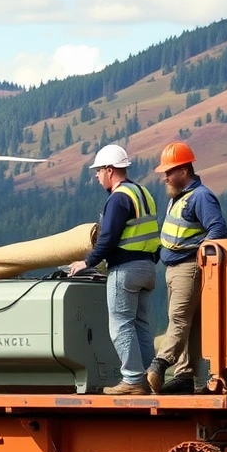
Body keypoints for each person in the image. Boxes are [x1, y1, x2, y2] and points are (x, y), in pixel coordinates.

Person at [69, 144, 160, 395]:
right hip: (148, 267)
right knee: (141, 325)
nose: (97, 176)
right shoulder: (143, 193)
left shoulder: (118, 198)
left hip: (125, 269)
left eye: (99, 171)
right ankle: (150, 377)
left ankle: (132, 379)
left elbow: (108, 238)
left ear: (110, 170)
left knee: (120, 324)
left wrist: (86, 263)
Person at [146, 142, 227, 395]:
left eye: (169, 172)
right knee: (190, 323)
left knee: (179, 318)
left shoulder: (201, 196)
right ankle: (186, 376)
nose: (164, 178)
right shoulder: (179, 196)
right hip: (174, 268)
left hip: (189, 267)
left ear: (183, 171)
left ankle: (161, 363)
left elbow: (218, 229)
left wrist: (200, 253)